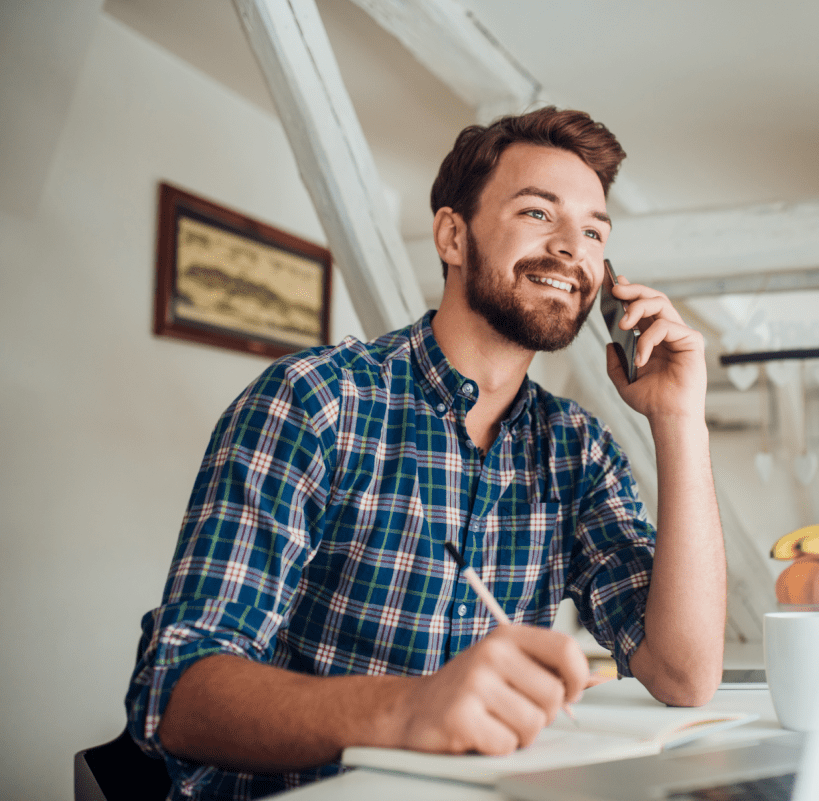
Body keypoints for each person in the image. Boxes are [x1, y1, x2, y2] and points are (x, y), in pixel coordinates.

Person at [126, 107, 726, 800]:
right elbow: (176, 690)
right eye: (539, 214)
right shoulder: (316, 401)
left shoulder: (578, 452)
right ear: (452, 235)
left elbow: (685, 674)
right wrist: (410, 709)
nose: (573, 248)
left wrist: (680, 419)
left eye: (595, 231)